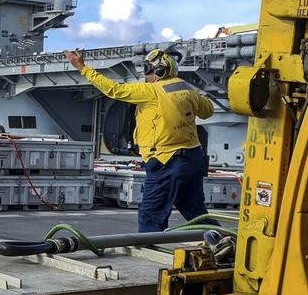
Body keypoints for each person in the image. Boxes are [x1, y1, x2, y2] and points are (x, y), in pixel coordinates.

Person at [64, 47, 216, 232]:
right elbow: (207, 112)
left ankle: (148, 253)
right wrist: (203, 98)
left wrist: (82, 67)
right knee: (195, 212)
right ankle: (225, 241)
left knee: (150, 215)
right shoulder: (188, 89)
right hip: (193, 158)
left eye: (148, 70)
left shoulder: (150, 91)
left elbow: (114, 90)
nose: (146, 75)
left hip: (166, 160)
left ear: (160, 71)